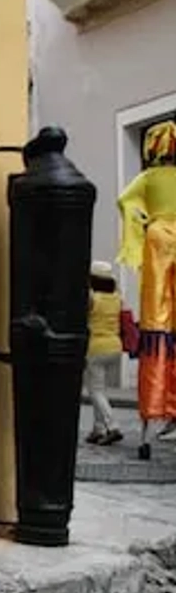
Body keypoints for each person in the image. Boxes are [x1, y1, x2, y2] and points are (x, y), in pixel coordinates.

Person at [117, 119, 176, 459]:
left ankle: (152, 418)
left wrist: (139, 226)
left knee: (156, 323)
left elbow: (125, 200)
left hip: (157, 242)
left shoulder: (149, 178)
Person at [84, 260, 124, 446]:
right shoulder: (117, 297)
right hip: (115, 346)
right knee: (100, 389)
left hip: (96, 347)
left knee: (95, 391)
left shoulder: (92, 297)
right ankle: (98, 429)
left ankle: (113, 426)